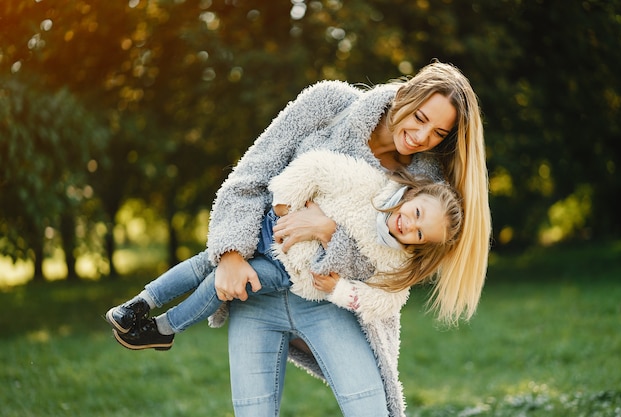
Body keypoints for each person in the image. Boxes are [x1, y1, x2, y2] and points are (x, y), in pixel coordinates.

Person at [204, 59, 491, 417]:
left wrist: (329, 231)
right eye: (420, 118)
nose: (421, 137)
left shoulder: (426, 181)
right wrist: (230, 254)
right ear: (405, 93)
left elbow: (390, 272)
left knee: (371, 411)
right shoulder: (329, 103)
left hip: (329, 303)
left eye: (437, 133)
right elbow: (249, 178)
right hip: (257, 290)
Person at [105, 149, 463, 352]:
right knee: (205, 261)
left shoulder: (395, 259)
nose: (408, 226)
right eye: (416, 214)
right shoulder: (371, 185)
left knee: (220, 280)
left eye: (419, 234)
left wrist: (340, 289)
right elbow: (317, 165)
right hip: (269, 227)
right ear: (413, 196)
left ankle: (164, 329)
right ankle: (137, 305)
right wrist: (285, 204)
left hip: (289, 270)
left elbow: (382, 302)